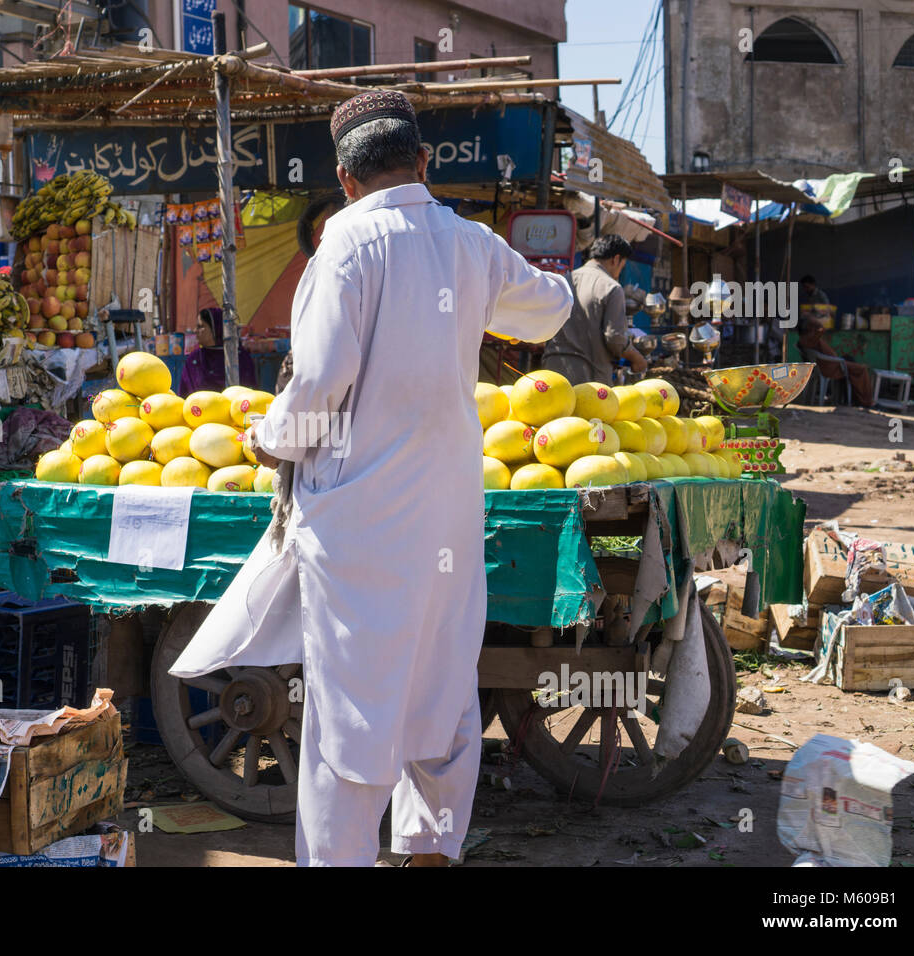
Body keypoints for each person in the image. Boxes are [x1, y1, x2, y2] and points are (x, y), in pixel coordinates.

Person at [169, 90, 573, 867]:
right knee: (442, 685)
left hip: (359, 523)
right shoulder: (470, 244)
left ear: (346, 181)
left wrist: (270, 440)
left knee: (350, 711)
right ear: (422, 162)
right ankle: (428, 852)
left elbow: (320, 379)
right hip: (449, 513)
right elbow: (547, 312)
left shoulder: (343, 247)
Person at [542, 235, 648, 384]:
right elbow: (615, 339)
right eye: (622, 267)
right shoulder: (611, 287)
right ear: (616, 259)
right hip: (588, 381)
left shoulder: (564, 280)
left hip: (551, 374)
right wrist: (638, 359)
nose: (619, 272)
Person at [797, 312, 875, 407]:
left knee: (850, 360)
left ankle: (855, 399)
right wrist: (812, 318)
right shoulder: (810, 338)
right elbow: (821, 327)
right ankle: (867, 402)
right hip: (832, 367)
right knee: (862, 369)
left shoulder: (805, 340)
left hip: (832, 364)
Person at [179, 307, 257, 393]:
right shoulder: (194, 359)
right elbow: (184, 393)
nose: (195, 330)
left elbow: (250, 393)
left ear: (216, 328)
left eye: (200, 326)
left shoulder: (239, 357)